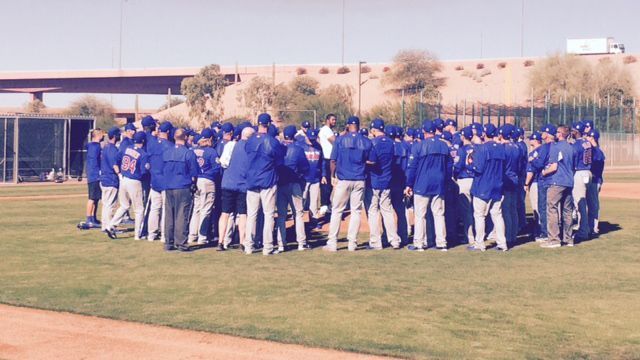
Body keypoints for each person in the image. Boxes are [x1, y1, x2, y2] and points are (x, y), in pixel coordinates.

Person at [324, 116, 371, 252]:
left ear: (347, 125)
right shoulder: (366, 141)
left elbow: (333, 160)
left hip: (344, 179)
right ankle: (352, 243)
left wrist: (332, 175)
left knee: (337, 210)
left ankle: (332, 243)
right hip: (359, 179)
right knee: (356, 211)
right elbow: (372, 160)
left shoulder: (340, 140)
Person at [405, 119, 449, 252]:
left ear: (424, 132)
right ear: (435, 131)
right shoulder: (444, 145)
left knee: (420, 215)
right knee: (439, 214)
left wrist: (408, 184)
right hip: (439, 182)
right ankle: (441, 242)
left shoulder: (418, 146)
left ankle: (419, 243)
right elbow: (449, 166)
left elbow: (412, 167)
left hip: (422, 183)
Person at [244, 113, 285, 255]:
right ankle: (267, 247)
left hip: (252, 180)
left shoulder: (250, 141)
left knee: (252, 215)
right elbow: (280, 160)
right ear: (268, 124)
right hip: (268, 180)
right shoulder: (272, 141)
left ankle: (248, 246)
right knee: (268, 215)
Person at [468, 123, 508, 252]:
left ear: (484, 134)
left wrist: (469, 165)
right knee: (497, 215)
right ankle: (502, 243)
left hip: (483, 186)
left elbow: (477, 168)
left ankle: (480, 244)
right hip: (498, 185)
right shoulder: (502, 148)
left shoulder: (482, 148)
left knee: (479, 216)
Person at [104, 131, 150, 240]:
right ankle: (137, 235)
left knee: (124, 205)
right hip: (134, 180)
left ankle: (110, 225)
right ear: (143, 141)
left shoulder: (126, 148)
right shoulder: (143, 154)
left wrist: (119, 173)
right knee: (139, 209)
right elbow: (144, 172)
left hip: (123, 179)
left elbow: (116, 160)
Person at [365, 120, 400, 250]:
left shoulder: (373, 142)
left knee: (373, 211)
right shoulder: (391, 143)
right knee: (387, 210)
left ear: (374, 130)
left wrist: (363, 162)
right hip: (387, 179)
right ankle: (394, 240)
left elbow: (372, 162)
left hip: (375, 180)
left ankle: (376, 242)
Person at [162, 128, 199, 252]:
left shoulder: (167, 152)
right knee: (181, 215)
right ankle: (181, 242)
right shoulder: (188, 153)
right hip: (183, 186)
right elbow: (194, 173)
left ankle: (168, 242)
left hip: (169, 186)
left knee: (169, 215)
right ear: (185, 138)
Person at [219, 126, 254, 251]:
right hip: (243, 184)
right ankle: (242, 242)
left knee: (225, 214)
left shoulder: (230, 145)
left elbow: (223, 162)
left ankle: (221, 241)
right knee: (243, 214)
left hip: (228, 182)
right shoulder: (251, 148)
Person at [276, 125, 310, 252]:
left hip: (280, 183)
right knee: (298, 214)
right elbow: (305, 167)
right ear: (294, 135)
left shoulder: (278, 148)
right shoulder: (298, 149)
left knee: (281, 215)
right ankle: (301, 243)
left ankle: (281, 244)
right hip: (294, 183)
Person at [541, 125, 575, 248]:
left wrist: (544, 172)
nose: (555, 134)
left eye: (557, 132)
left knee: (552, 209)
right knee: (567, 211)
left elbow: (554, 167)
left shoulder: (555, 147)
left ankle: (554, 240)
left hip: (557, 181)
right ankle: (568, 239)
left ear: (560, 134)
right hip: (569, 181)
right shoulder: (571, 147)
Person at [188, 128, 221, 245]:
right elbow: (217, 168)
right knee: (205, 210)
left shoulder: (193, 150)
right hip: (207, 181)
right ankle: (202, 237)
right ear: (210, 139)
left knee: (196, 208)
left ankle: (192, 235)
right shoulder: (211, 151)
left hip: (195, 180)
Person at [147, 121, 173, 242]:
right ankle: (164, 235)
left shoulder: (152, 144)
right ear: (168, 131)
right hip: (165, 180)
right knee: (165, 209)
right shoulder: (169, 146)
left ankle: (151, 234)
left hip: (154, 179)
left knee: (155, 208)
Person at [530, 124, 556, 242]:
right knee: (554, 208)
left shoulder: (545, 148)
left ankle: (545, 233)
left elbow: (539, 164)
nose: (542, 134)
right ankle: (556, 232)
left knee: (543, 207)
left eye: (544, 132)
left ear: (547, 135)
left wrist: (532, 161)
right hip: (556, 179)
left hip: (544, 180)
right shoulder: (557, 145)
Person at [453, 126, 476, 245]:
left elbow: (457, 166)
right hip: (475, 180)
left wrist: (455, 176)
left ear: (463, 136)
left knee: (466, 211)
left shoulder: (461, 150)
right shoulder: (477, 148)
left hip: (464, 180)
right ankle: (479, 234)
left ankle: (470, 236)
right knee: (475, 210)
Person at [299, 128, 326, 230]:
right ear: (306, 137)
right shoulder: (301, 146)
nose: (312, 141)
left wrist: (323, 175)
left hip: (315, 178)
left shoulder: (318, 147)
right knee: (302, 200)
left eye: (314, 139)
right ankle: (299, 222)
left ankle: (313, 221)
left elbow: (322, 162)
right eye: (310, 139)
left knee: (314, 201)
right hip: (304, 178)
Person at [499, 124, 521, 247]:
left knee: (506, 210)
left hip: (506, 179)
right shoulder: (517, 147)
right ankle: (513, 234)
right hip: (515, 178)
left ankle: (508, 236)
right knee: (513, 209)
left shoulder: (503, 148)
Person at [571, 121, 593, 242]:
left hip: (579, 173)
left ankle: (583, 232)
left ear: (576, 132)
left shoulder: (575, 145)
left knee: (580, 203)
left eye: (573, 130)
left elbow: (572, 162)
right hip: (588, 172)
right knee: (586, 203)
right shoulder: (587, 143)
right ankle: (588, 228)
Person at [390, 125, 410, 246]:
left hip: (391, 180)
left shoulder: (389, 145)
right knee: (401, 210)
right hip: (402, 180)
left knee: (386, 211)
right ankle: (404, 236)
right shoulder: (406, 146)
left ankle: (389, 235)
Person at [100, 127, 122, 236]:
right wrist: (120, 175)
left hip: (104, 178)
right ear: (114, 136)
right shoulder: (113, 149)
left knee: (105, 204)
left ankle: (105, 226)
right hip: (111, 179)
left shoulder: (105, 147)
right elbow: (115, 165)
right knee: (110, 205)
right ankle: (108, 226)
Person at [317, 114, 337, 219]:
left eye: (335, 120)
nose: (334, 121)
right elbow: (335, 141)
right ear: (327, 120)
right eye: (333, 119)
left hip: (328, 158)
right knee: (326, 182)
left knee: (329, 182)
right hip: (327, 158)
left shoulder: (326, 130)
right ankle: (324, 205)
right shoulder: (326, 129)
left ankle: (326, 204)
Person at [524, 132, 543, 239]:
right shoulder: (545, 150)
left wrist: (526, 183)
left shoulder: (534, 153)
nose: (529, 141)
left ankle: (540, 231)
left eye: (531, 139)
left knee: (536, 208)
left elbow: (531, 171)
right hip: (544, 182)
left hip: (535, 182)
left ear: (535, 140)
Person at [586, 129, 604, 236]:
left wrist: (594, 146)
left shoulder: (597, 151)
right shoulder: (589, 150)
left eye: (589, 137)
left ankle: (594, 228)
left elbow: (599, 160)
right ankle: (588, 226)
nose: (587, 138)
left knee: (593, 205)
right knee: (588, 204)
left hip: (595, 181)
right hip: (590, 180)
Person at [85, 128, 103, 228]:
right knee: (92, 198)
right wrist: (98, 173)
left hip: (94, 174)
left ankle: (94, 217)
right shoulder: (94, 147)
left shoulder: (95, 146)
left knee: (96, 198)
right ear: (98, 135)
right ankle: (89, 219)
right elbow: (94, 162)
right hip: (94, 175)